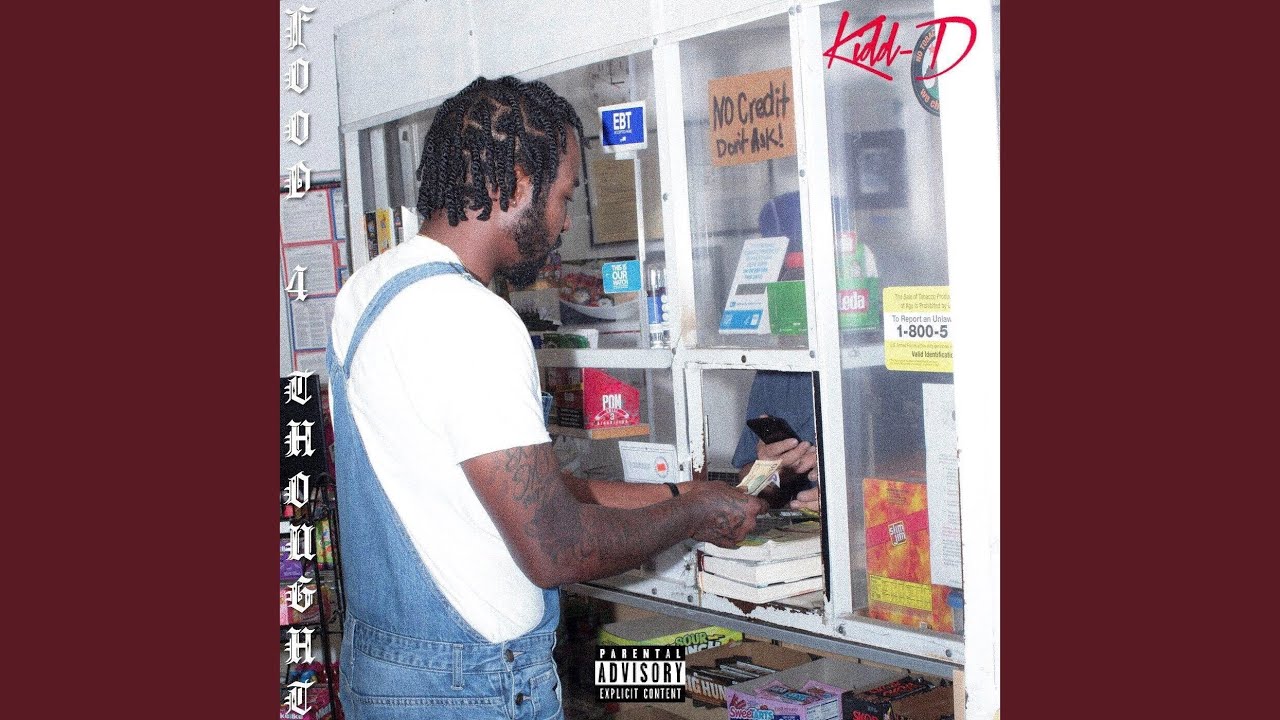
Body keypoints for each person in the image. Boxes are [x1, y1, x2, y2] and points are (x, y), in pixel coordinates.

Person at [325, 76, 767, 720]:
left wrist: (683, 493)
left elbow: (516, 493)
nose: (563, 222)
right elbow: (556, 548)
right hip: (472, 687)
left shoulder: (367, 293)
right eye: (563, 196)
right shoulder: (472, 319)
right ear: (518, 184)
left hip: (386, 672)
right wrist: (694, 517)